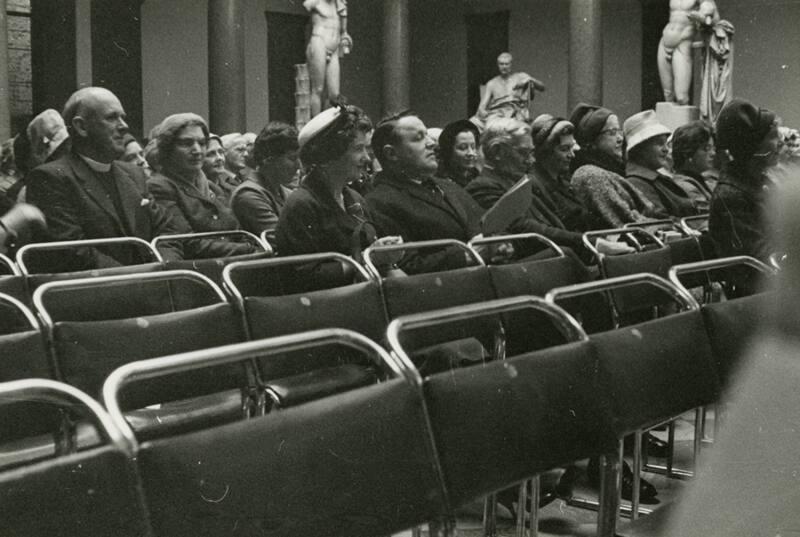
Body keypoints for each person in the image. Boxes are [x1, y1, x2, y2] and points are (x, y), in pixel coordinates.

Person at [26, 87, 183, 271]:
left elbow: (167, 230)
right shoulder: (51, 177)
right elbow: (72, 251)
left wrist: (164, 267)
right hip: (94, 291)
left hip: (152, 283)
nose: (124, 125)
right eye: (111, 118)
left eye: (123, 117)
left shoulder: (134, 174)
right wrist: (138, 277)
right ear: (81, 127)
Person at [276, 103, 400, 262]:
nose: (367, 158)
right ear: (329, 154)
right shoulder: (301, 205)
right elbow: (304, 276)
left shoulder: (355, 198)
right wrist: (367, 259)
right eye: (358, 149)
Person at [366, 111, 486, 274]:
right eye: (418, 138)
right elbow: (408, 265)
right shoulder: (380, 201)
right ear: (391, 154)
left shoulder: (448, 186)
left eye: (428, 136)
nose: (432, 144)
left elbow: (482, 222)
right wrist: (468, 255)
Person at [147, 113, 256, 259]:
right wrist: (249, 249)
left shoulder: (212, 187)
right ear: (168, 148)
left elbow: (235, 231)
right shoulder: (160, 186)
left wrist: (251, 247)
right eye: (186, 143)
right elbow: (188, 243)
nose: (197, 150)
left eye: (202, 143)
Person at [527, 115, 634, 258]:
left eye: (572, 148)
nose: (571, 155)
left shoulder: (564, 183)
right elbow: (552, 233)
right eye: (564, 149)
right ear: (545, 152)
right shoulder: (534, 184)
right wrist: (597, 244)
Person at [709, 98, 782, 296]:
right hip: (761, 295)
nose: (781, 142)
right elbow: (758, 257)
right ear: (753, 146)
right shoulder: (730, 195)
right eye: (774, 136)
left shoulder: (762, 181)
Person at [569, 103, 664, 228]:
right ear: (592, 139)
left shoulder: (616, 168)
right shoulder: (590, 174)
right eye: (612, 132)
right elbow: (625, 219)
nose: (620, 138)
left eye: (619, 131)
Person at [231, 122, 300, 248]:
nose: (298, 166)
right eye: (292, 158)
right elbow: (284, 241)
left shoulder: (285, 192)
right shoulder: (248, 195)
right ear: (268, 159)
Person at [624, 110, 697, 217]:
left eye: (666, 143)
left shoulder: (655, 179)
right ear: (640, 148)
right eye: (659, 143)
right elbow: (661, 221)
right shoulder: (637, 183)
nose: (666, 149)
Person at [657, 0, 720, 105]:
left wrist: (701, 18)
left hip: (682, 43)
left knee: (681, 97)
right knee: (667, 95)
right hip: (665, 41)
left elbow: (715, 20)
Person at [304, 0, 352, 117]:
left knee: (334, 94)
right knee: (317, 89)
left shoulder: (339, 5)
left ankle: (327, 126)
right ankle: (315, 127)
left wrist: (346, 38)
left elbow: (344, 33)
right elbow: (307, 5)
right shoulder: (315, 2)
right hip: (319, 42)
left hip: (334, 48)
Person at [475, 52, 545, 124]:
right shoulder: (492, 83)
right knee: (474, 122)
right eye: (501, 64)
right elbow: (481, 107)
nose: (504, 67)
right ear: (498, 65)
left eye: (506, 64)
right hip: (497, 115)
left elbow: (542, 88)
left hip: (516, 115)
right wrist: (484, 113)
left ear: (511, 64)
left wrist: (530, 79)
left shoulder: (520, 77)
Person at [671, 120, 717, 212]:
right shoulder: (684, 186)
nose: (713, 153)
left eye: (713, 148)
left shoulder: (702, 179)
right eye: (706, 148)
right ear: (687, 152)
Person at [436, 119, 480, 188]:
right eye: (463, 148)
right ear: (449, 151)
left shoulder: (478, 177)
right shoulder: (440, 183)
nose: (471, 153)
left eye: (473, 147)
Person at [203, 134, 239, 201]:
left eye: (221, 152)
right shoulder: (196, 191)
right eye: (211, 154)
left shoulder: (234, 190)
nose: (219, 158)